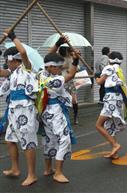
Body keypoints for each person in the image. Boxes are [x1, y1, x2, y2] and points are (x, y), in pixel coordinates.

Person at [37, 37, 79, 183]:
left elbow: (48, 58)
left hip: (45, 112)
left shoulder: (42, 74)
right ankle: (58, 172)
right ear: (51, 67)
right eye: (58, 66)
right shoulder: (54, 80)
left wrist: (57, 44)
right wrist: (76, 61)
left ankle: (48, 169)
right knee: (64, 139)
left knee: (49, 139)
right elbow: (72, 75)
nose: (60, 68)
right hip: (55, 112)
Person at [0, 31, 39, 186]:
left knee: (28, 142)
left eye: (7, 61)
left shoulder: (27, 69)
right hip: (14, 110)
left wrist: (12, 36)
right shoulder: (12, 74)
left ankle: (32, 174)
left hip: (26, 110)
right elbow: (1, 73)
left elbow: (22, 51)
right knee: (10, 139)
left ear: (12, 60)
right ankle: (15, 169)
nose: (6, 64)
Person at [95, 51, 127, 159]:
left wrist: (96, 76)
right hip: (117, 99)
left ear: (110, 59)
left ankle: (115, 145)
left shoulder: (108, 68)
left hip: (110, 99)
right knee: (110, 125)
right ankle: (114, 152)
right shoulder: (119, 69)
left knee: (98, 125)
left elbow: (100, 82)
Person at [48, 41, 79, 125]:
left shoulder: (71, 57)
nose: (66, 51)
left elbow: (77, 68)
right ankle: (64, 116)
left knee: (74, 100)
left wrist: (75, 61)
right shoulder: (58, 59)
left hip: (70, 81)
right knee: (63, 99)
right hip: (61, 80)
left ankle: (75, 116)